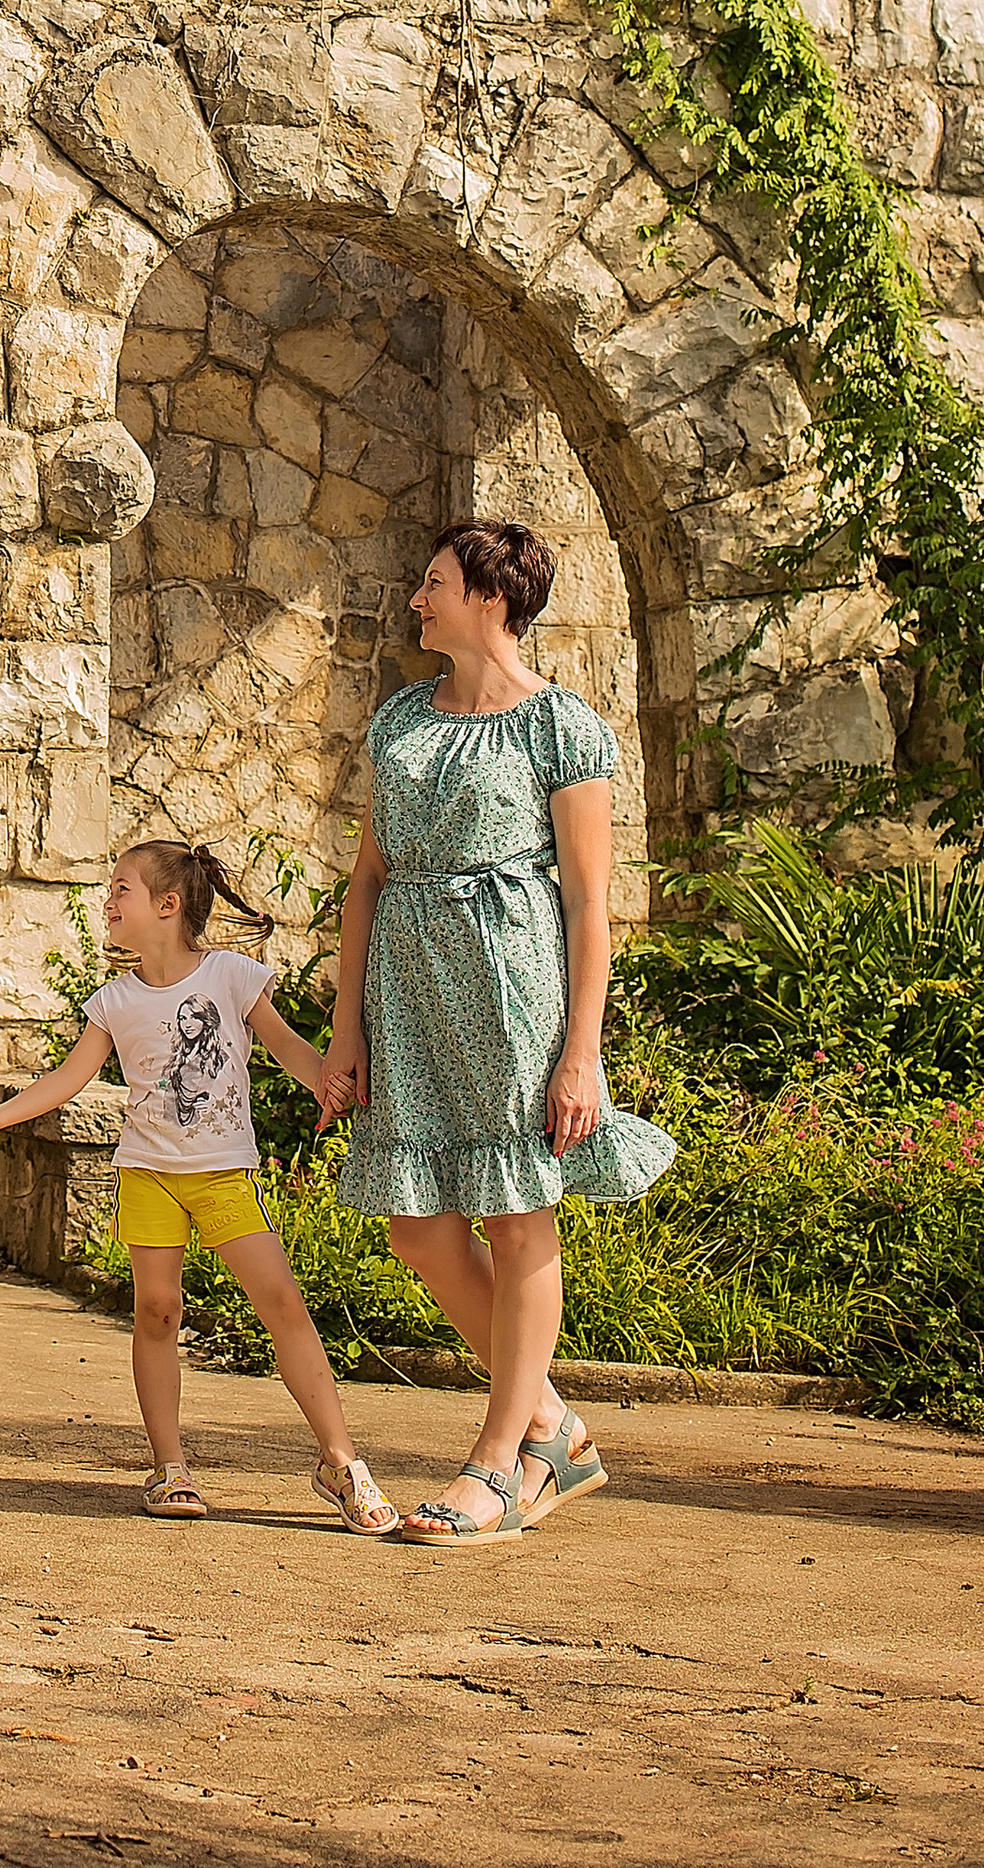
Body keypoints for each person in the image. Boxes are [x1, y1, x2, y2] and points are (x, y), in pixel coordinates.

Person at [320, 518, 676, 1545]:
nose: (416, 598)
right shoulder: (398, 722)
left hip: (516, 990)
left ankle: (498, 1462)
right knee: (415, 1223)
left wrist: (581, 1053)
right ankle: (552, 1424)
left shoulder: (561, 728)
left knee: (518, 1216)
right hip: (410, 989)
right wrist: (346, 1029)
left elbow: (587, 905)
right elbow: (366, 886)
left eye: (432, 583)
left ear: (490, 599)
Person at [0, 838, 399, 1530]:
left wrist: (328, 1078)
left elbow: (288, 1045)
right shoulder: (112, 1001)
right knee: (158, 1313)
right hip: (149, 1176)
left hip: (224, 1176)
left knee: (283, 1306)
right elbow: (66, 1080)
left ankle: (341, 1461)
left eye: (121, 890)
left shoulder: (233, 977)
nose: (107, 902)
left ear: (167, 906)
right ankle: (170, 1468)